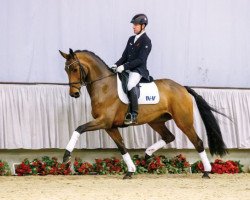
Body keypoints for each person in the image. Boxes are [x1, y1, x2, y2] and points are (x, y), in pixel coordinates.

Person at [111, 14, 152, 125]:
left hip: (138, 70)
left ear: (143, 26)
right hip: (128, 68)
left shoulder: (146, 41)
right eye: (133, 25)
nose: (133, 27)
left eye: (135, 25)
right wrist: (116, 65)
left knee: (130, 85)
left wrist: (124, 67)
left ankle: (134, 114)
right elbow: (124, 56)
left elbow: (140, 60)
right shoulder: (131, 39)